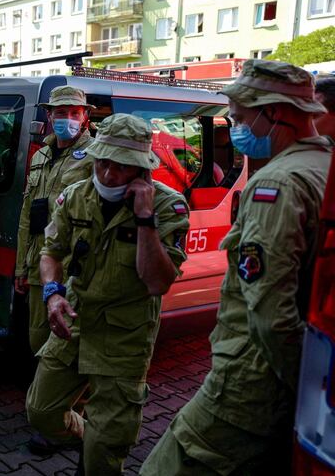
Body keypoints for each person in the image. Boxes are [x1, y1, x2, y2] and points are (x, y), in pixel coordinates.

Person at [141, 60, 334, 475]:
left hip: (250, 385)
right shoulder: (325, 168)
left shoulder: (278, 183)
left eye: (241, 117)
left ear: (275, 112)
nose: (234, 127)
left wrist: (303, 394)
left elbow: (271, 315)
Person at [26, 113, 190, 474]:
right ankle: (93, 437)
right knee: (40, 412)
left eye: (120, 167)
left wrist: (144, 219)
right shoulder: (76, 196)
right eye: (102, 162)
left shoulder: (168, 206)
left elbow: (157, 283)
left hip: (124, 333)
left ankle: (100, 449)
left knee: (104, 453)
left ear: (141, 169)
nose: (107, 175)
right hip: (77, 319)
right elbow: (51, 251)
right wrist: (53, 293)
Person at [14, 85, 95, 356]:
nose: (68, 119)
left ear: (84, 117)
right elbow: (28, 215)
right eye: (61, 113)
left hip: (75, 267)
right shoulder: (41, 155)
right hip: (40, 264)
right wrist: (21, 268)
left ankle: (67, 398)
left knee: (69, 342)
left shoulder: (97, 156)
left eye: (75, 112)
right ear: (50, 116)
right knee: (38, 338)